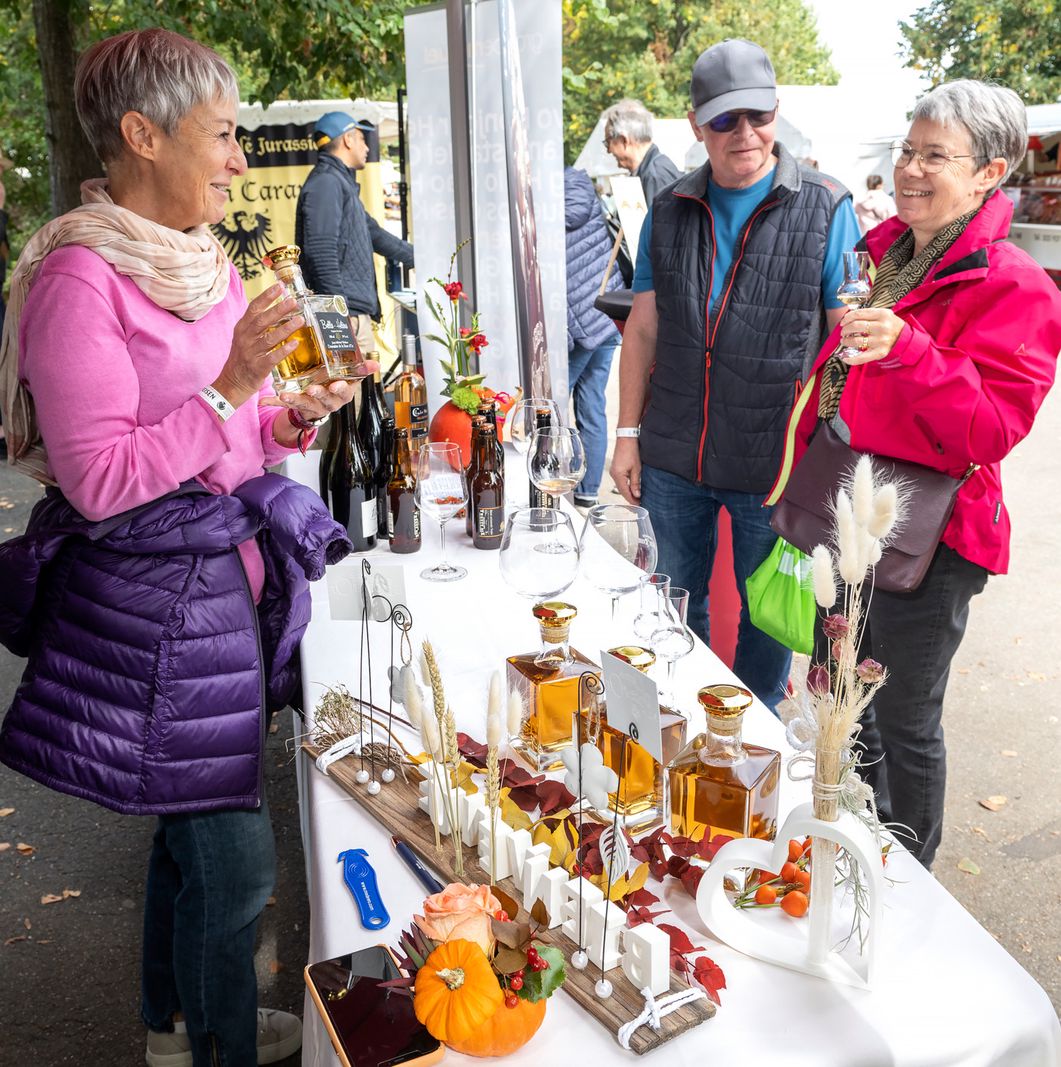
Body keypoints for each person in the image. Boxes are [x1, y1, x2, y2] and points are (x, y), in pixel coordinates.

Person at [0, 29, 374, 1066]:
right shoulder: (82, 278)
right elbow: (100, 480)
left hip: (218, 604)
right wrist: (231, 389)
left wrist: (294, 414)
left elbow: (238, 435)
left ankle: (169, 1025)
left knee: (185, 830)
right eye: (220, 135)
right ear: (141, 135)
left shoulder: (203, 263)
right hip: (152, 616)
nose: (238, 159)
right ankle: (217, 1043)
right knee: (237, 863)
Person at [772, 79, 1060, 868]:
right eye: (906, 149)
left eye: (936, 155)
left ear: (989, 174)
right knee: (835, 700)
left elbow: (991, 428)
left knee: (898, 718)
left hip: (935, 541)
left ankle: (905, 888)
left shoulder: (1015, 285)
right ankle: (838, 851)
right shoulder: (887, 255)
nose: (910, 168)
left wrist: (906, 349)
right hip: (856, 524)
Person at [609, 38, 860, 713]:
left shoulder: (827, 206)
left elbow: (846, 343)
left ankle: (751, 747)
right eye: (724, 120)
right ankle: (677, 727)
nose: (743, 134)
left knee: (766, 630)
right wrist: (625, 435)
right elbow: (642, 329)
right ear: (695, 126)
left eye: (756, 114)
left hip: (772, 464)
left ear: (776, 111)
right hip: (671, 456)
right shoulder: (667, 208)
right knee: (669, 609)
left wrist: (823, 457)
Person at [295, 111, 414, 356]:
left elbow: (376, 235)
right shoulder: (326, 183)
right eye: (361, 138)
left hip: (353, 315)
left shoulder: (340, 183)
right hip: (345, 317)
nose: (366, 147)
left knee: (362, 393)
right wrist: (338, 316)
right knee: (353, 395)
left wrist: (424, 258)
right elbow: (320, 252)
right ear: (347, 140)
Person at [564, 166, 624, 508]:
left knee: (553, 404)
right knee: (592, 403)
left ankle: (550, 480)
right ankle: (588, 492)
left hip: (580, 322)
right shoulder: (581, 188)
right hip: (604, 311)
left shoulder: (544, 201)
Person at [601, 99, 681, 205]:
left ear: (624, 140)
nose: (608, 150)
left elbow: (661, 221)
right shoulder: (650, 171)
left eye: (608, 142)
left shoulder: (655, 176)